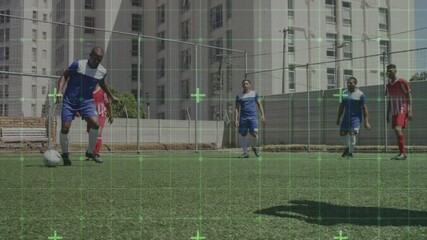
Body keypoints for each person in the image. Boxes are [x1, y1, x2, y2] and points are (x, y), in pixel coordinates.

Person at [56, 46, 119, 165]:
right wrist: (59, 91)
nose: (97, 61)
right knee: (65, 128)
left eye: (99, 59)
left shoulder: (102, 71)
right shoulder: (78, 65)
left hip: (86, 101)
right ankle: (65, 154)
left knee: (96, 125)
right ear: (90, 55)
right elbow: (64, 76)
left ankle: (90, 152)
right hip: (70, 100)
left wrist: (112, 96)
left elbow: (103, 84)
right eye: (95, 57)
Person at [336, 77, 371, 158]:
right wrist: (338, 118)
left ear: (355, 84)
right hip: (346, 118)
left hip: (356, 118)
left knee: (352, 134)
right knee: (342, 134)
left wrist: (366, 122)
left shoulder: (360, 94)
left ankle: (350, 153)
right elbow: (341, 107)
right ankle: (348, 148)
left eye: (350, 83)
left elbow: (365, 108)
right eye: (347, 82)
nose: (348, 84)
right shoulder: (344, 93)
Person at [385, 64, 413, 160]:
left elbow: (409, 95)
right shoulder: (388, 85)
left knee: (397, 129)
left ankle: (403, 154)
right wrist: (388, 113)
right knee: (398, 131)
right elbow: (389, 99)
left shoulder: (402, 82)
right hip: (394, 111)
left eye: (390, 70)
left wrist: (410, 110)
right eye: (387, 71)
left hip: (402, 108)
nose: (388, 72)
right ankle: (401, 153)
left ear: (395, 70)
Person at [234, 79, 265, 158]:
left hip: (253, 118)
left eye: (247, 84)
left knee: (255, 133)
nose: (245, 85)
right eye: (244, 84)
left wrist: (262, 115)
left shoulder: (254, 94)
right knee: (243, 134)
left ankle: (254, 147)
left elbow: (259, 104)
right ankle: (245, 153)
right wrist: (236, 119)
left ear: (250, 85)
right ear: (242, 85)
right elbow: (237, 108)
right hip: (243, 118)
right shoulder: (239, 95)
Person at [84, 84, 114, 160]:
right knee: (91, 134)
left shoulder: (103, 91)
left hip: (101, 115)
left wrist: (110, 115)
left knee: (98, 133)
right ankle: (91, 152)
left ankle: (96, 153)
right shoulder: (88, 90)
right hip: (91, 116)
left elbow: (108, 104)